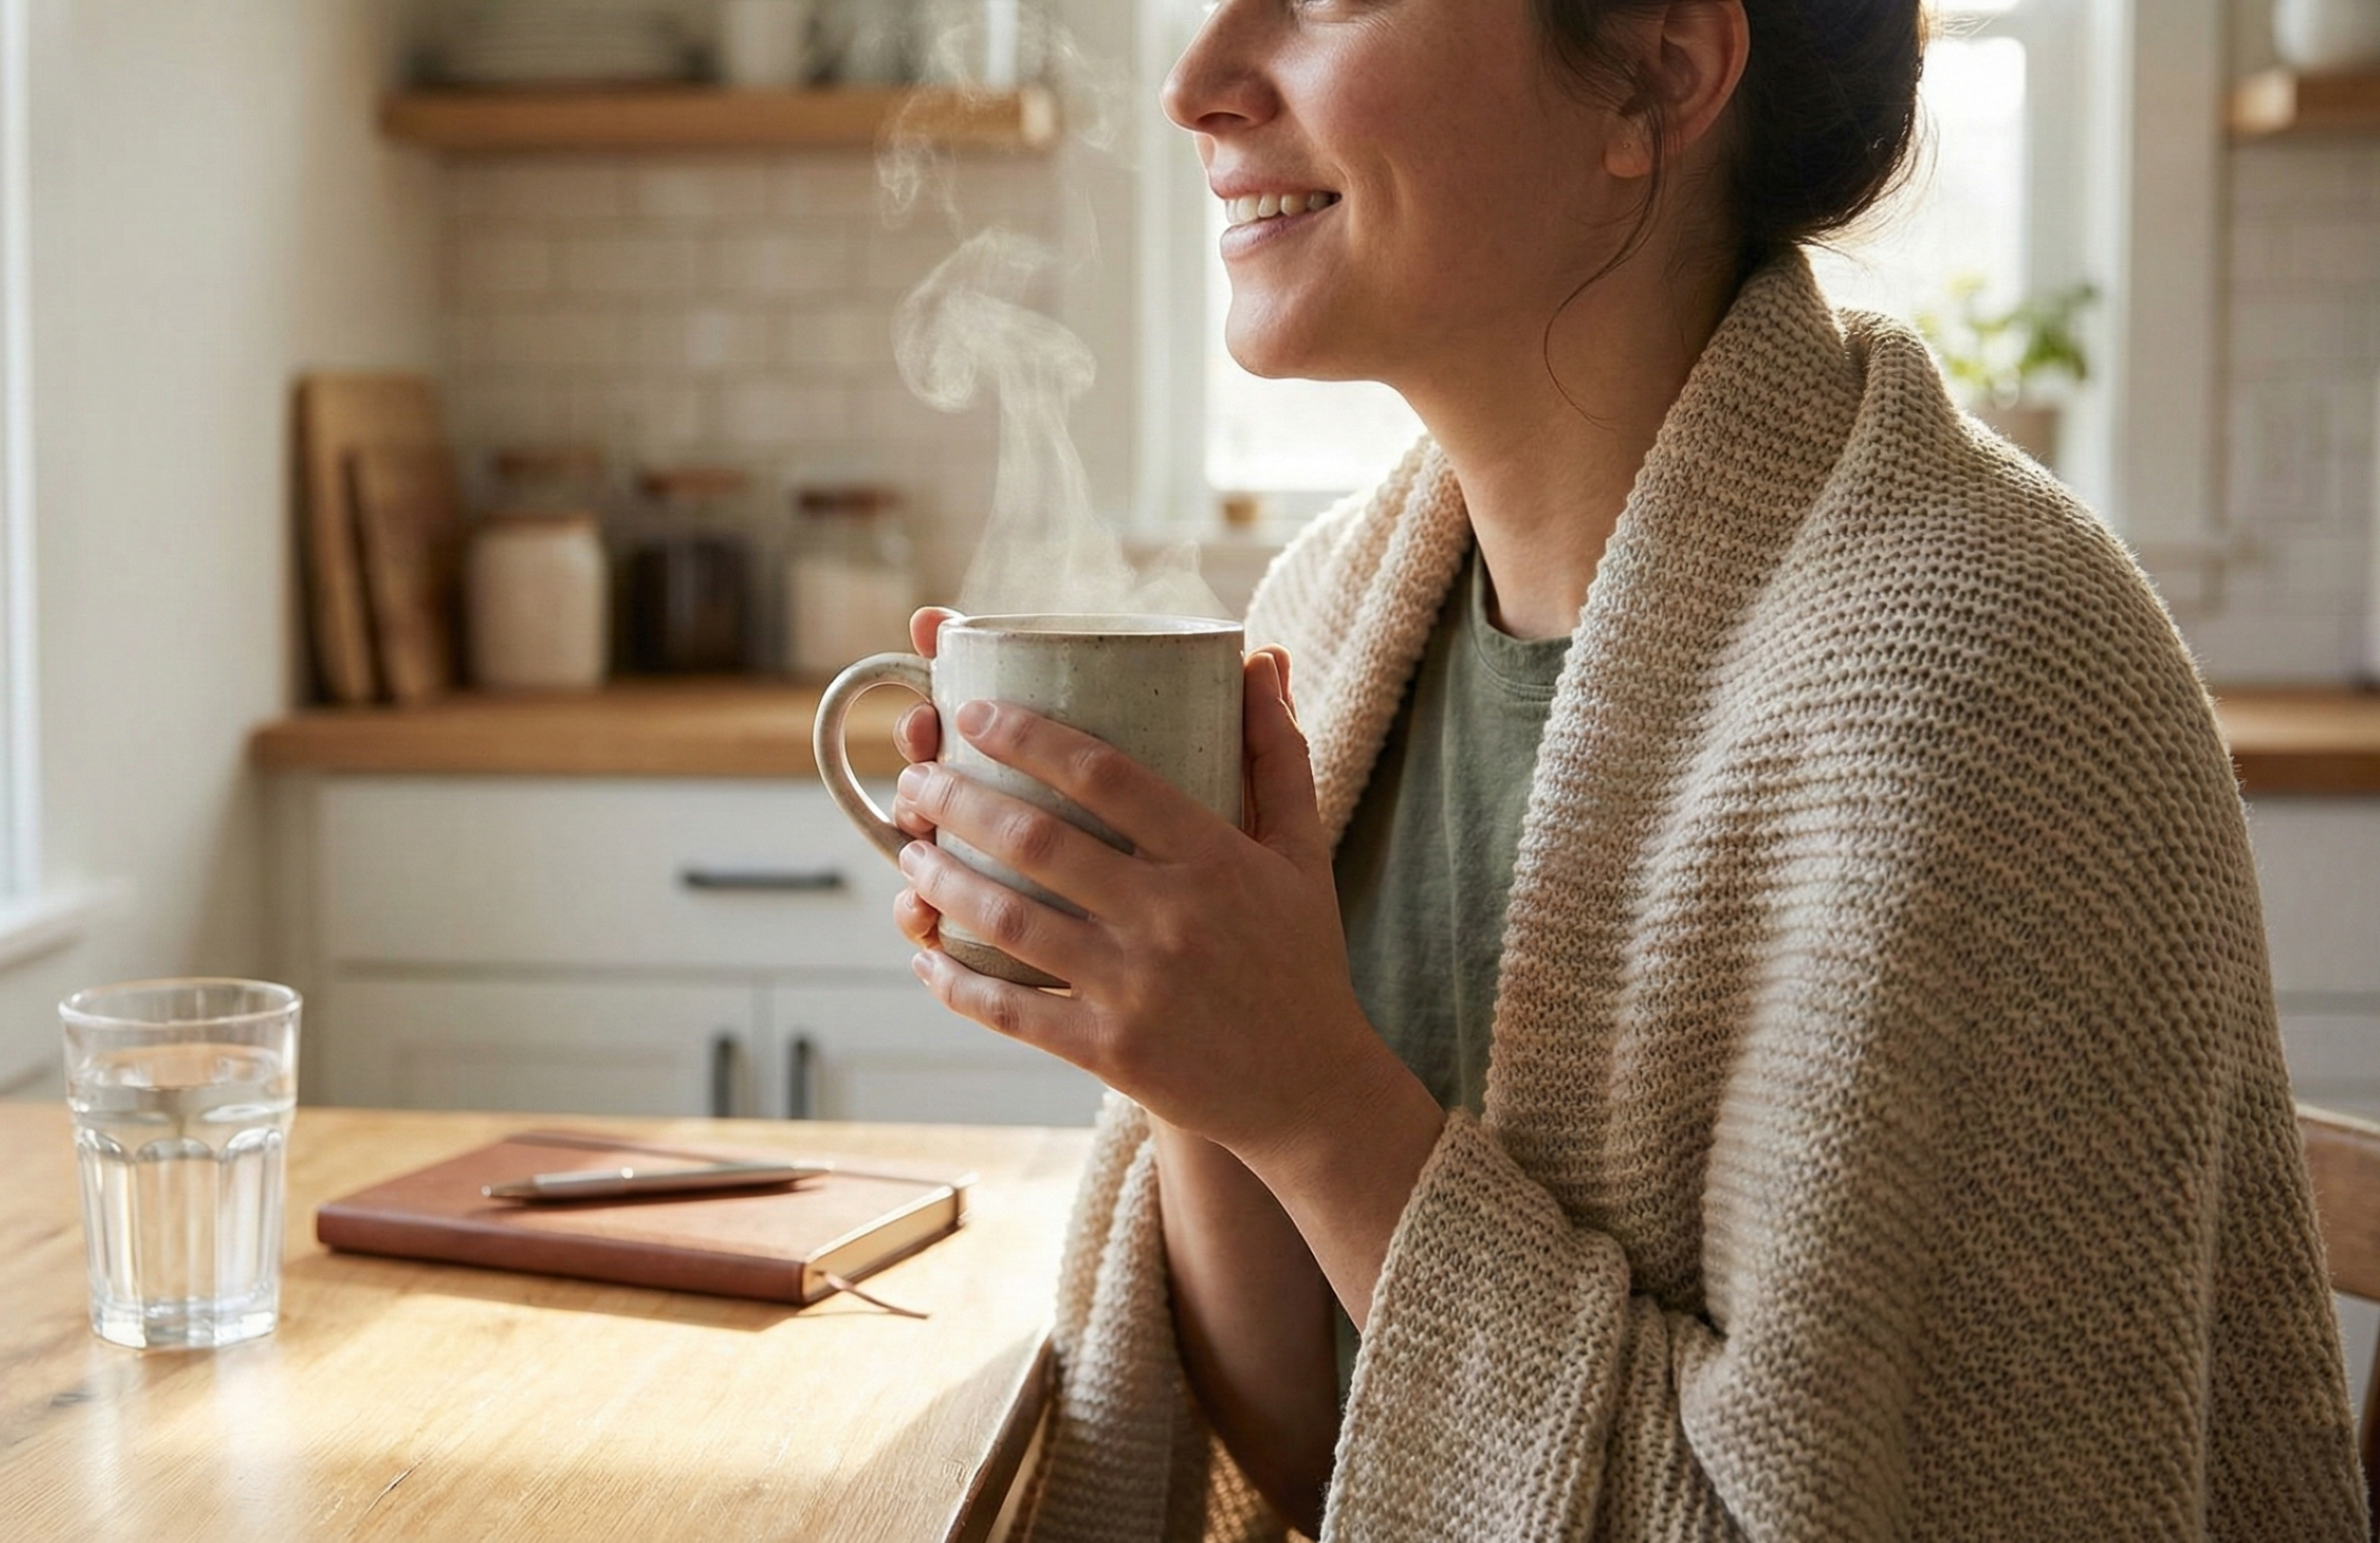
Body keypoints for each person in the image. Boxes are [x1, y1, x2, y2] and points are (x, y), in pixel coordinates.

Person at [881, 0, 2365, 1536]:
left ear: (1660, 65)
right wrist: (1193, 1054)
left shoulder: (1989, 681)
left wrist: (1320, 1104)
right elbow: (1336, 1468)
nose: (1196, 82)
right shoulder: (1329, 618)